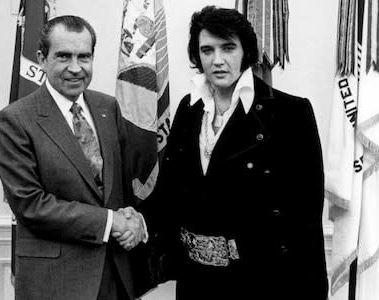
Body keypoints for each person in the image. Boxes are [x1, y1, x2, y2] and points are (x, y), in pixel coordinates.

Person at [120, 5, 329, 300]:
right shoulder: (188, 110)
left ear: (246, 52)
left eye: (228, 48)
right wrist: (138, 220)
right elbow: (169, 192)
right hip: (196, 284)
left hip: (262, 284)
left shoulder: (290, 114)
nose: (217, 60)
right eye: (207, 50)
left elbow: (305, 221)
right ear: (197, 56)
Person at [0, 15, 145, 300]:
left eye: (84, 57)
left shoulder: (107, 107)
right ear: (42, 58)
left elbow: (122, 188)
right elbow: (30, 205)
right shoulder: (14, 120)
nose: (75, 68)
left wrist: (134, 219)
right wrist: (111, 222)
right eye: (63, 56)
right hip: (54, 282)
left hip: (115, 275)